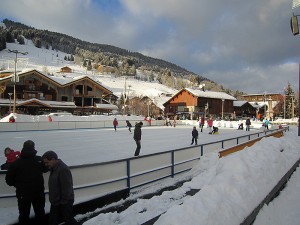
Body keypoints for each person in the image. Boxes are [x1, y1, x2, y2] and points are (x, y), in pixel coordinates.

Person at [5, 140, 47, 225]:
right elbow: (46, 169)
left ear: (23, 148)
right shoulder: (39, 160)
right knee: (40, 215)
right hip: (38, 193)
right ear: (33, 148)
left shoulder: (16, 163)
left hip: (23, 195)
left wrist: (18, 184)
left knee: (24, 216)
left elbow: (9, 180)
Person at [42, 151, 80, 225]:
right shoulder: (54, 168)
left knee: (68, 220)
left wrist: (63, 203)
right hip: (56, 201)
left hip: (64, 202)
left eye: (47, 162)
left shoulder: (62, 169)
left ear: (53, 159)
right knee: (54, 221)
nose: (46, 165)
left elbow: (67, 188)